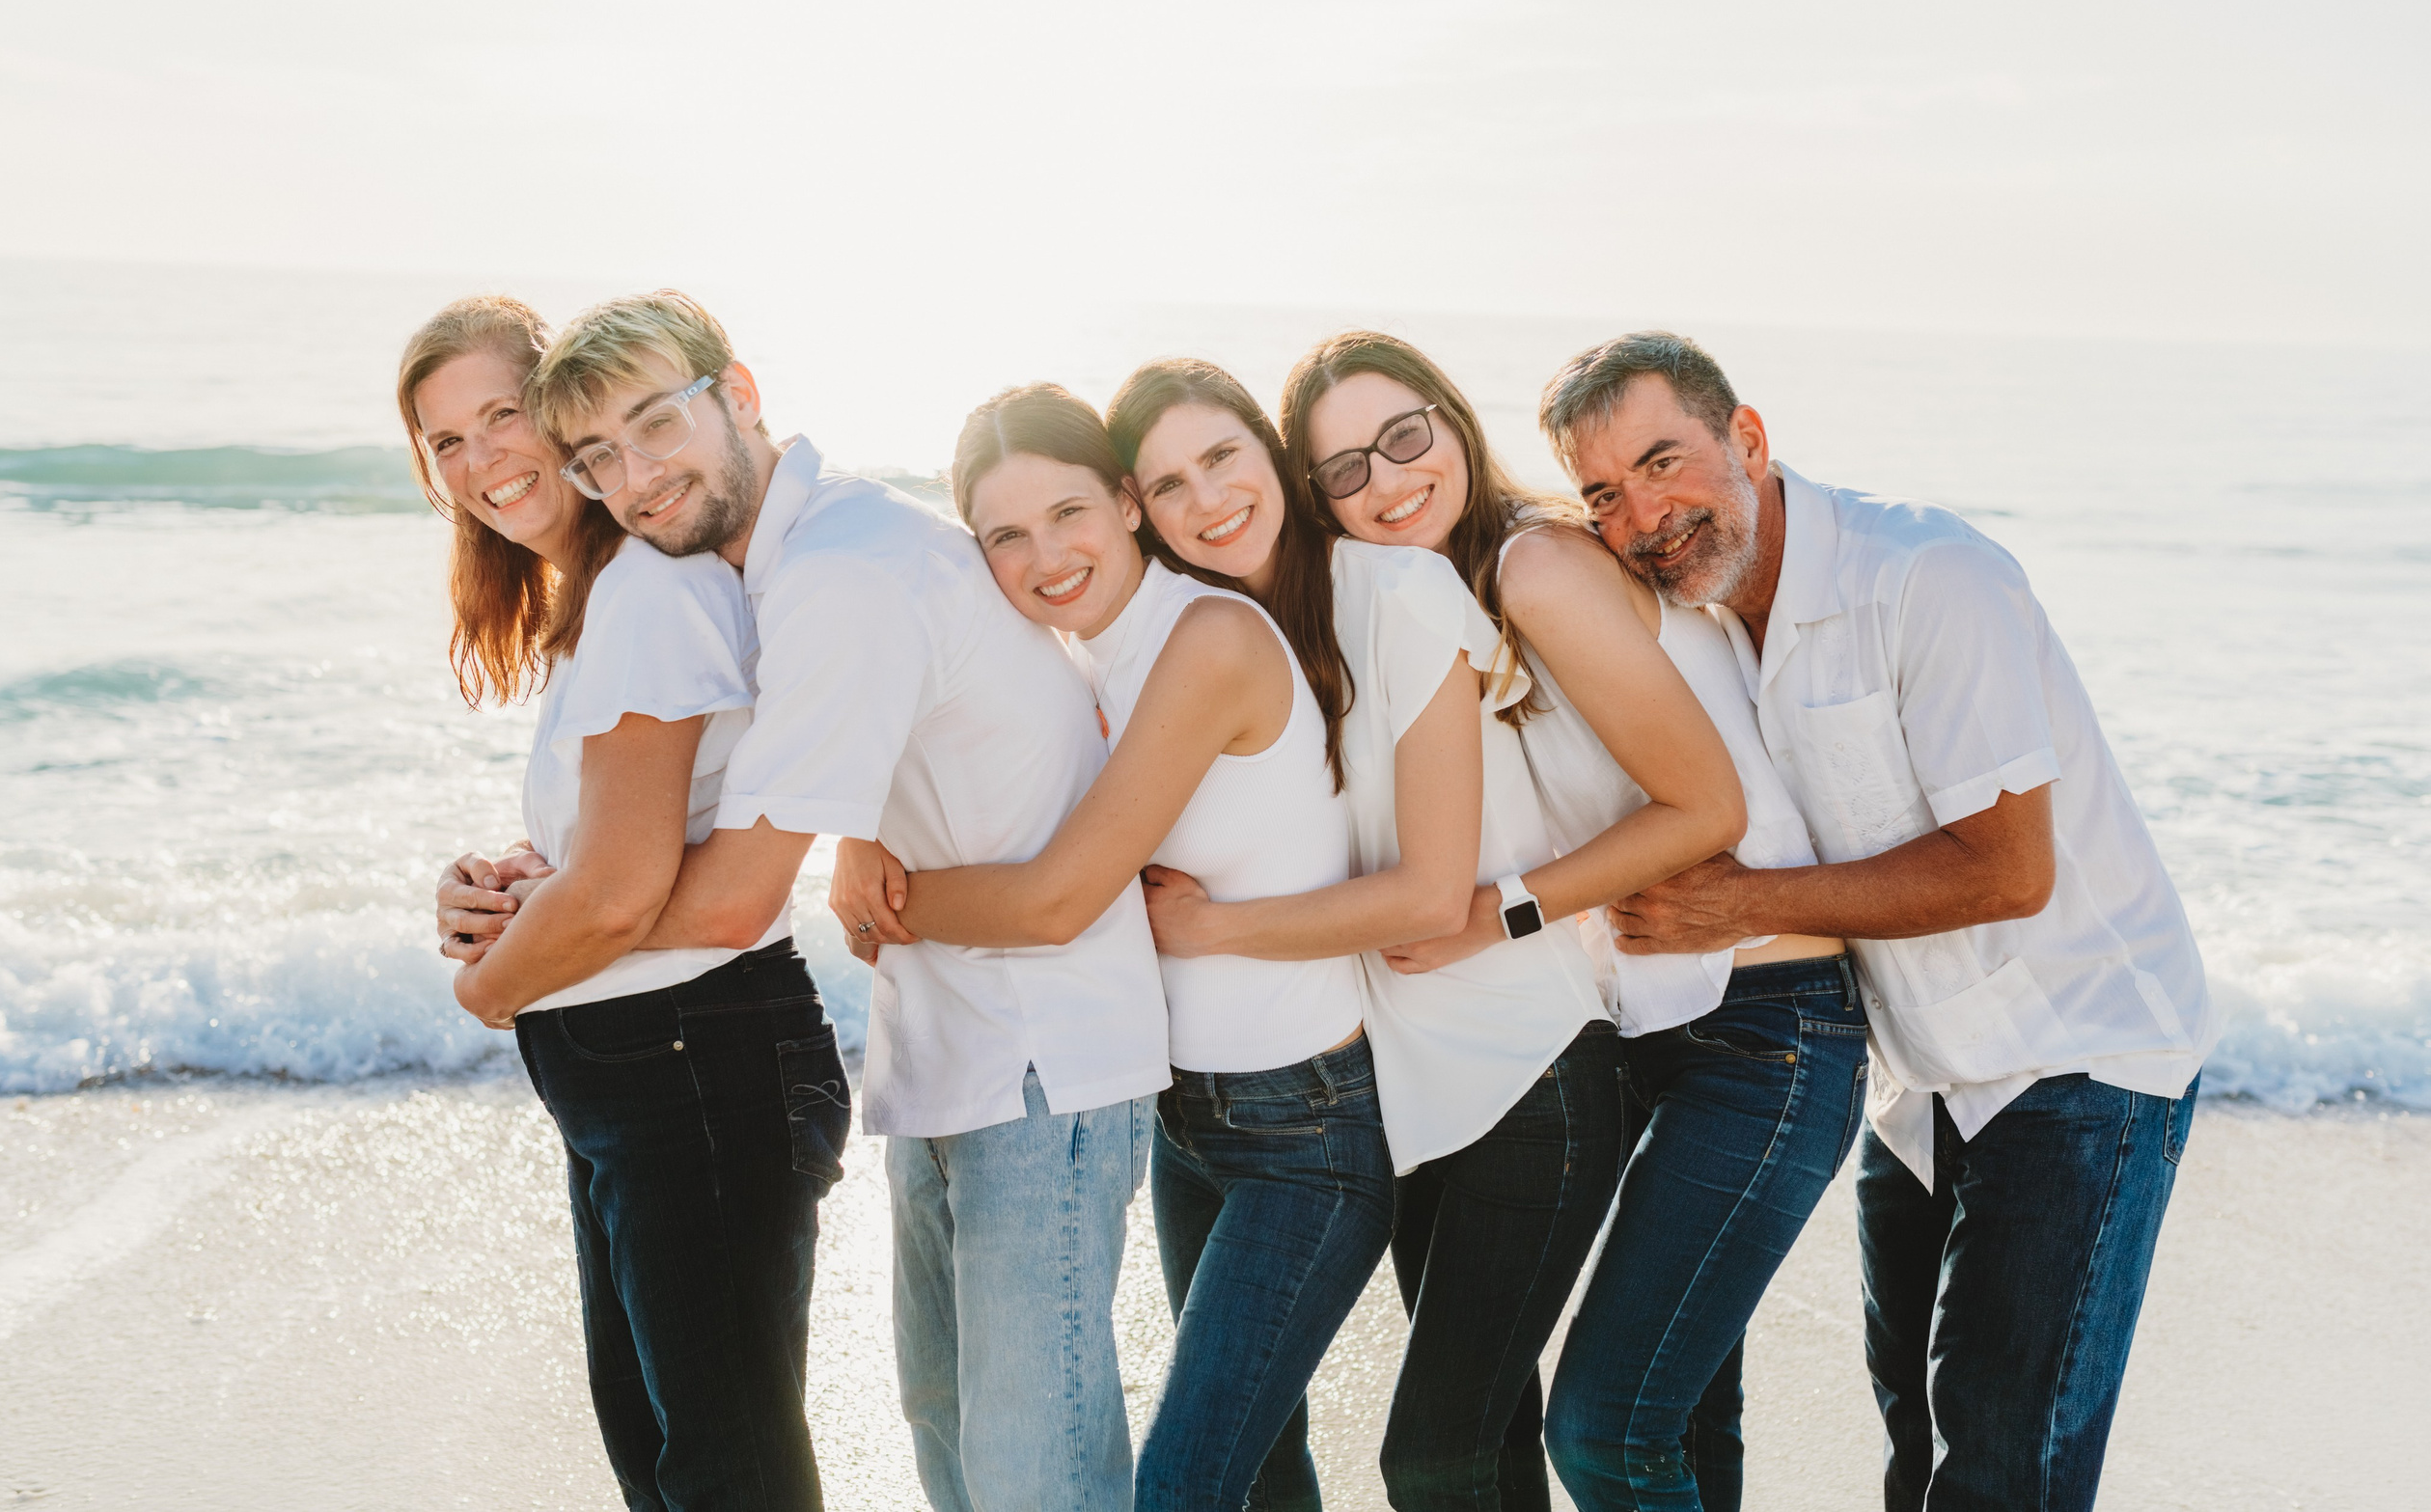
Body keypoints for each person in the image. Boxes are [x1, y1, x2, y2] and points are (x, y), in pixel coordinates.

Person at [509, 293, 1170, 1512]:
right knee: (950, 1435)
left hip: (1047, 1050)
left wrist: (528, 945)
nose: (633, 478)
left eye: (655, 425)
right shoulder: (803, 551)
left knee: (1034, 1475)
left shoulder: (838, 570)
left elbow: (729, 903)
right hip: (949, 1033)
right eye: (596, 456)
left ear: (739, 392)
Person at [1559, 330, 2215, 1512]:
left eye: (1665, 462)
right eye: (1604, 494)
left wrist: (1735, 908)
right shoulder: (1698, 618)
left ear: (1747, 438)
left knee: (2000, 1471)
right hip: (1913, 1082)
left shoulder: (1925, 575)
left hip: (2076, 1057)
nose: (1645, 515)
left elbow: (2007, 872)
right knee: (1915, 1451)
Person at [830, 378, 1410, 1512]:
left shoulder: (1207, 638)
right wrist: (855, 828)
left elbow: (1057, 902)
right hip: (1190, 1119)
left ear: (1127, 505)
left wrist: (880, 897)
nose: (1044, 555)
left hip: (1307, 1132)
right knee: (1260, 1477)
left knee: (1182, 1488)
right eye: (1004, 534)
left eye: (1068, 514)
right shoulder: (1082, 656)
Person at [1253, 333, 1750, 1511]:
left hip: (1683, 1010)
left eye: (1406, 437)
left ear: (1452, 420)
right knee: (1505, 1436)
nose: (1387, 481)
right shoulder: (1408, 595)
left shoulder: (1529, 567)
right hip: (1555, 1025)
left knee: (1472, 1446)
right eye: (1344, 470)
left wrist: (1494, 916)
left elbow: (1707, 804)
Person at [405, 293, 848, 1512]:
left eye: (504, 414)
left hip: (692, 1069)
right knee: (667, 1462)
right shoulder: (603, 603)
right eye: (447, 441)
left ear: (563, 418)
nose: (484, 457)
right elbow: (606, 850)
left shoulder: (652, 594)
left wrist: (485, 986)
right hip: (646, 1076)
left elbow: (613, 894)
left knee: (723, 1475)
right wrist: (499, 885)